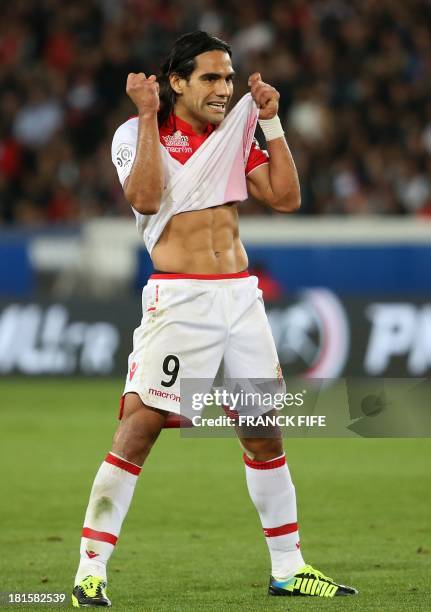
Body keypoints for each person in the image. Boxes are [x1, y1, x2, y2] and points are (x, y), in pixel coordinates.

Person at [72, 31, 357, 607]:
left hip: (240, 299)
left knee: (263, 433)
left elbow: (284, 197)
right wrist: (149, 116)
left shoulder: (234, 134)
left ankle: (288, 567)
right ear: (176, 81)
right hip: (181, 302)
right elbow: (148, 199)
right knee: (139, 429)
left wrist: (272, 124)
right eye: (210, 77)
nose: (224, 89)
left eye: (228, 78)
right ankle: (90, 571)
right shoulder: (135, 134)